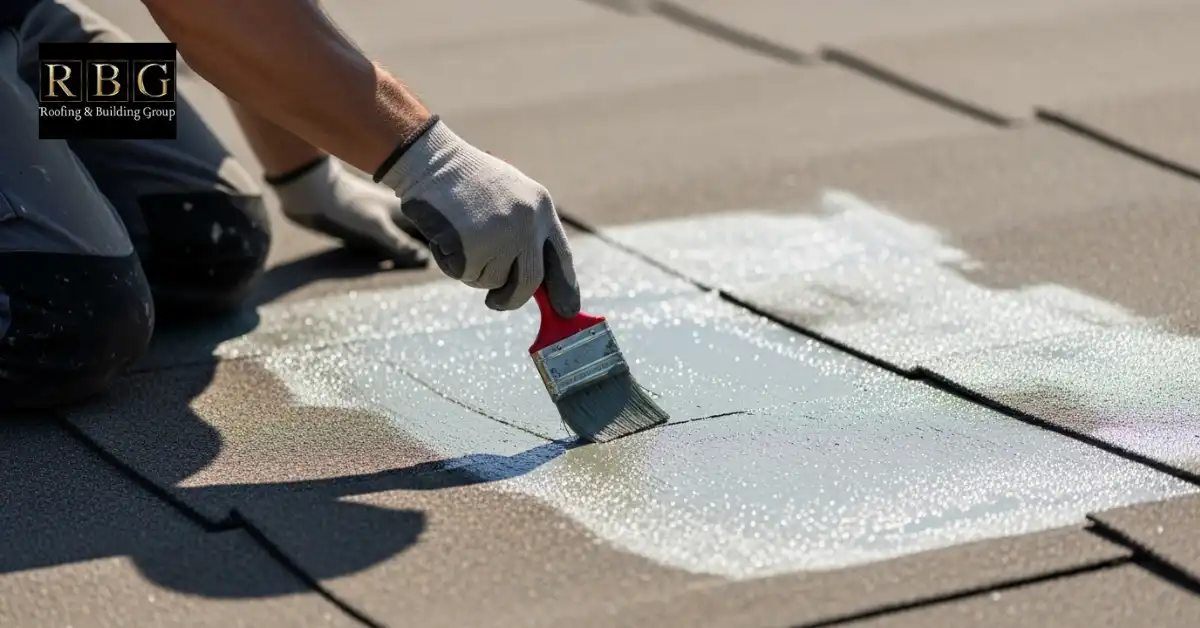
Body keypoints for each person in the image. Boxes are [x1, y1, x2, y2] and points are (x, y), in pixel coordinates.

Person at [0, 0, 581, 409]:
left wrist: (305, 176)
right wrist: (430, 160)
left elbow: (248, 17)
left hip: (21, 18)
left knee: (204, 235)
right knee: (65, 312)